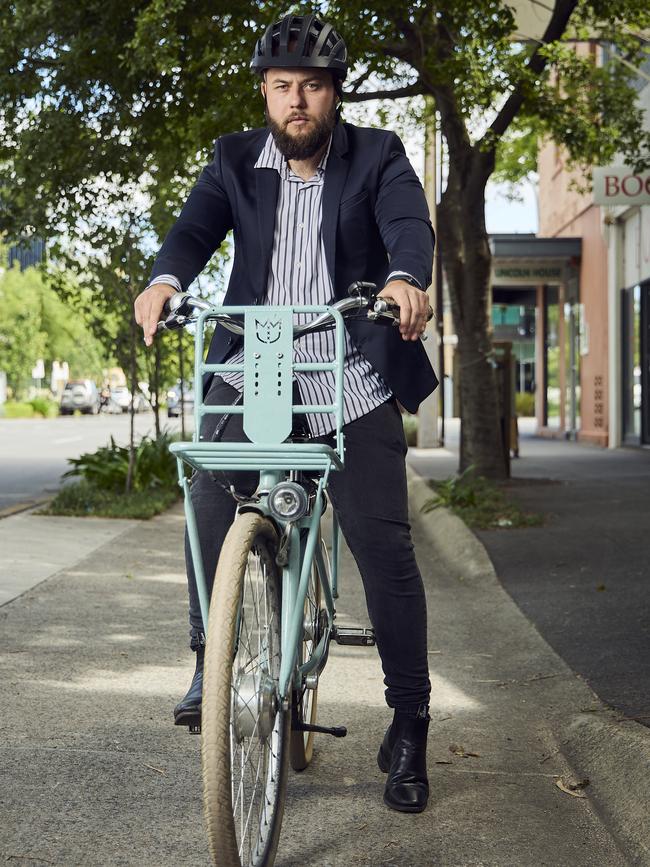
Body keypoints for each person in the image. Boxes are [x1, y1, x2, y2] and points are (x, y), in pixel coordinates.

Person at [134, 12, 438, 814]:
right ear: (264, 93)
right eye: (281, 88)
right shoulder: (234, 158)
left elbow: (408, 223)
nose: (295, 101)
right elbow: (194, 228)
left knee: (384, 550)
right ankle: (213, 650)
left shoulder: (378, 154)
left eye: (310, 87)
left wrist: (406, 276)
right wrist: (165, 278)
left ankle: (410, 721)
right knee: (207, 487)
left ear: (333, 93)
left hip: (349, 367)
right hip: (258, 363)